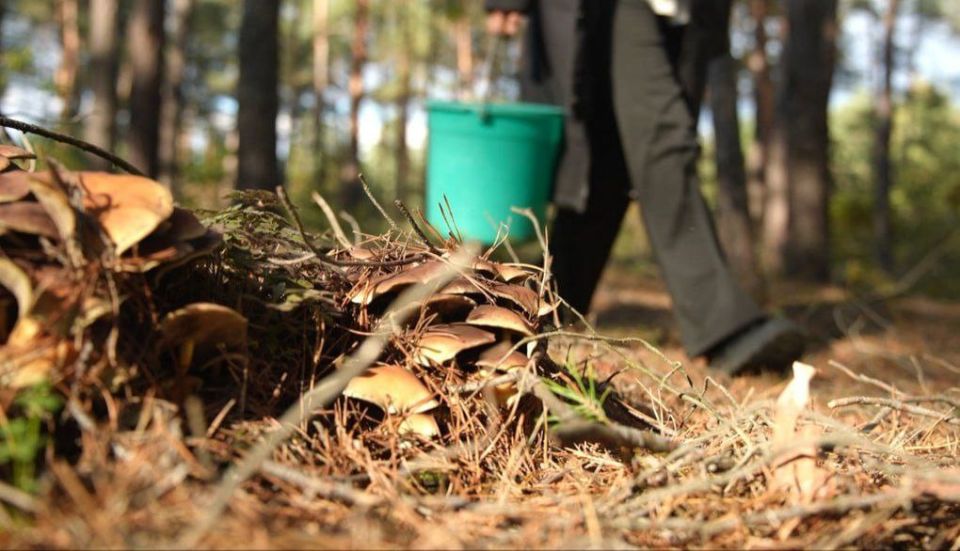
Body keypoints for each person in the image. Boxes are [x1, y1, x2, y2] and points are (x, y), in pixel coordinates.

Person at [485, 0, 805, 375]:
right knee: (661, 139)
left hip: (678, 13)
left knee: (607, 163)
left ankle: (533, 314)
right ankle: (723, 327)